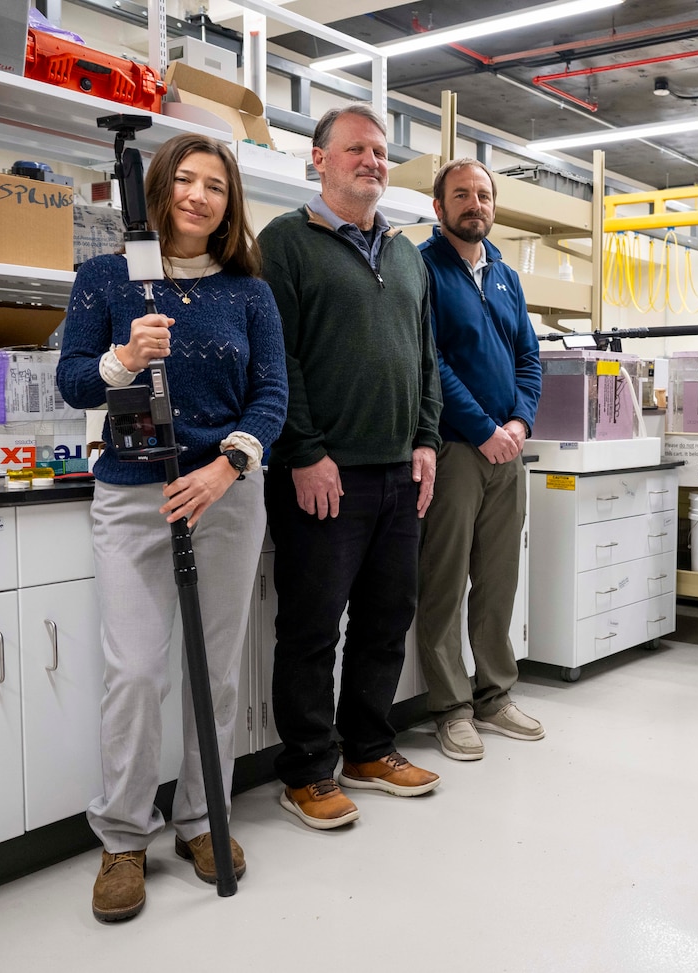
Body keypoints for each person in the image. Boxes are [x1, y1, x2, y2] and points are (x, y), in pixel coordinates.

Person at [57, 133, 288, 922]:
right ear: (159, 188)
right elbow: (73, 379)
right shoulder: (107, 279)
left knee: (214, 670)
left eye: (215, 186)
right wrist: (123, 359)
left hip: (223, 493)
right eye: (184, 180)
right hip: (134, 492)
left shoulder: (249, 293)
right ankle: (123, 836)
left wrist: (228, 464)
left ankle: (202, 819)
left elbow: (271, 395)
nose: (198, 196)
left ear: (231, 203)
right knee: (135, 669)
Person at [259, 103, 444, 830]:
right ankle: (307, 769)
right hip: (323, 474)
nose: (373, 160)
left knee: (385, 618)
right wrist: (304, 451)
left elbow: (427, 357)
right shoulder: (284, 244)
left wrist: (426, 439)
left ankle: (369, 746)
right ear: (319, 159)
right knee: (311, 628)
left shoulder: (404, 253)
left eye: (381, 152)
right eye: (357, 149)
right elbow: (281, 361)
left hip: (399, 472)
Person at [416, 158, 544, 761]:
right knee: (443, 581)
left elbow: (529, 358)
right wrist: (484, 427)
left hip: (507, 450)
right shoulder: (421, 268)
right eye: (461, 195)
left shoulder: (506, 277)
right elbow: (431, 361)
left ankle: (495, 694)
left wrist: (518, 422)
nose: (475, 204)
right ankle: (450, 706)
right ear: (439, 207)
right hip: (454, 450)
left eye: (484, 195)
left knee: (498, 580)